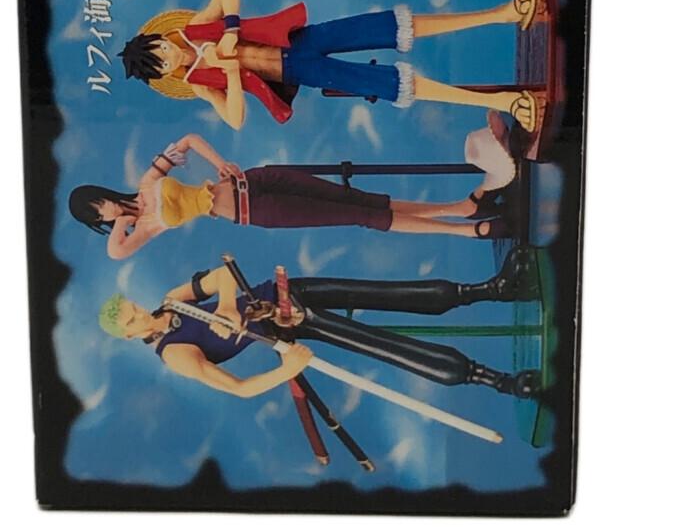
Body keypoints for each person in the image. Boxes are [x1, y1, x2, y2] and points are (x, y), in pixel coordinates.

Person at [117, 0, 544, 133]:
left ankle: (502, 13)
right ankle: (501, 102)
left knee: (390, 26)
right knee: (389, 84)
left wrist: (229, 31)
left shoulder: (195, 28)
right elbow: (235, 119)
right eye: (163, 64)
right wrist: (228, 72)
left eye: (162, 50)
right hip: (299, 73)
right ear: (163, 75)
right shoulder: (198, 84)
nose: (171, 58)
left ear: (161, 38)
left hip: (301, 40)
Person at [98, 255, 540, 400]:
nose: (140, 313)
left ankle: (493, 290)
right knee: (379, 344)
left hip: (283, 290)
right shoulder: (175, 354)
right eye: (133, 319)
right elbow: (239, 388)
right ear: (130, 335)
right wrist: (287, 369)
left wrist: (228, 306)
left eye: (133, 306)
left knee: (387, 293)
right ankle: (496, 380)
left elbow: (218, 276)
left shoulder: (171, 302)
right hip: (286, 322)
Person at [68, 130, 512, 254]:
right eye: (96, 214)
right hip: (258, 211)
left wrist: (219, 162)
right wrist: (121, 222)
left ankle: (460, 207)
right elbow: (116, 253)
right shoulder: (144, 227)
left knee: (360, 200)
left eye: (98, 202)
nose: (104, 210)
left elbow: (186, 140)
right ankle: (466, 232)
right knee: (360, 217)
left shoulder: (148, 183)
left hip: (256, 179)